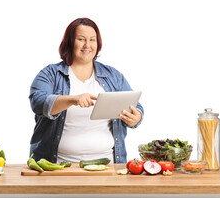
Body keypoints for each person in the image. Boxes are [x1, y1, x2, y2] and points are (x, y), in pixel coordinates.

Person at [29, 18, 144, 163]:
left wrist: (136, 117)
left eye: (92, 40)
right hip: (57, 165)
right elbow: (38, 103)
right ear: (70, 42)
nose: (87, 45)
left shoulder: (113, 75)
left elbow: (135, 105)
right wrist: (72, 99)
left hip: (108, 165)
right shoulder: (50, 74)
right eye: (81, 39)